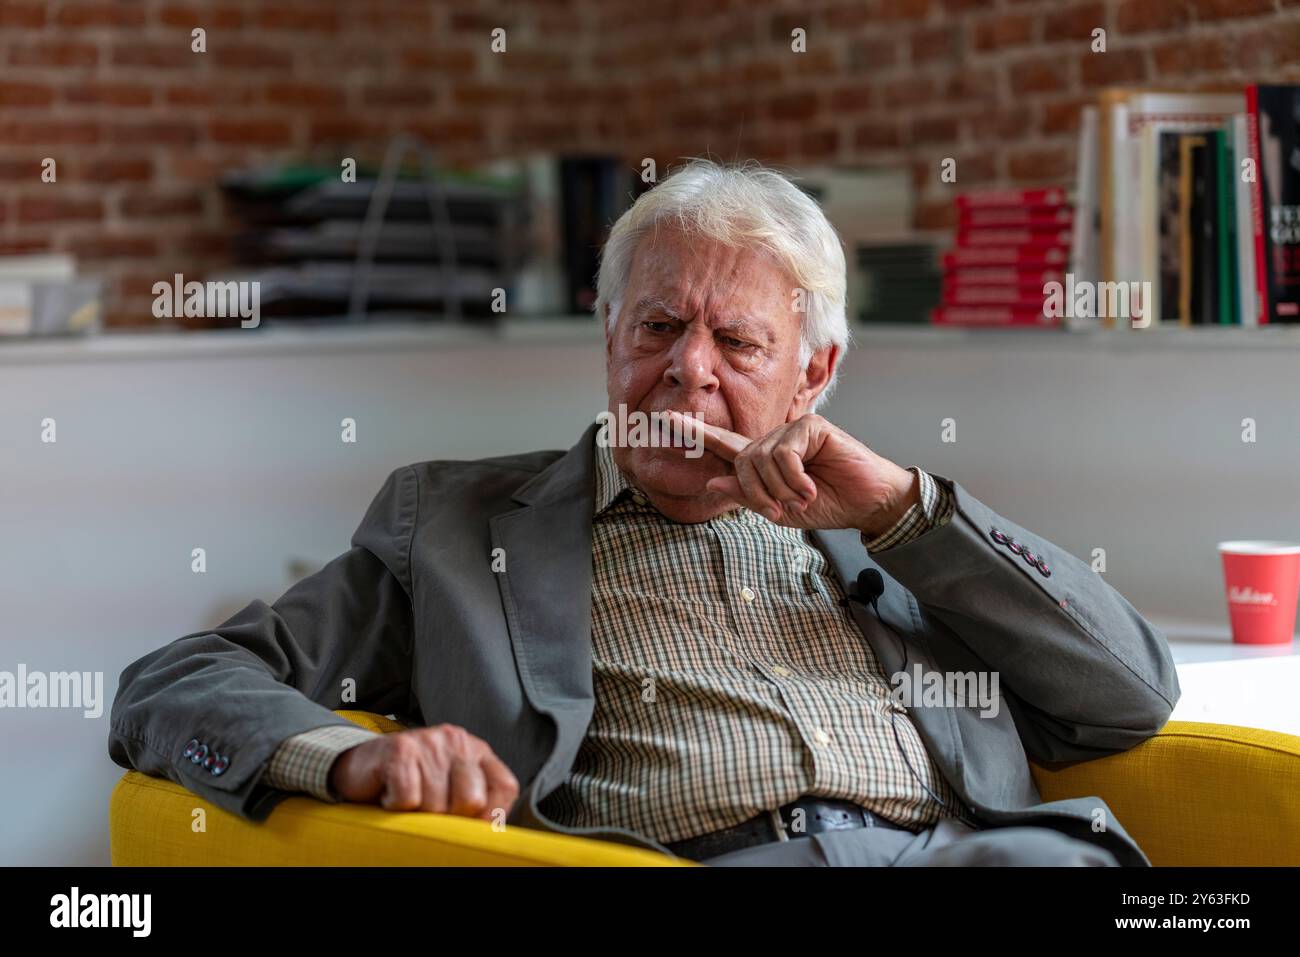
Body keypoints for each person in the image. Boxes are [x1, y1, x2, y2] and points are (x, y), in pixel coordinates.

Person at [109, 159, 1180, 866]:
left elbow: (1127, 699)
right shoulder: (452, 525)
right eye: (657, 327)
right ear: (608, 333)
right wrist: (349, 758)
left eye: (738, 344)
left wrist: (905, 510)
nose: (686, 374)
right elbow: (176, 681)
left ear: (815, 374)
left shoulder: (893, 527)